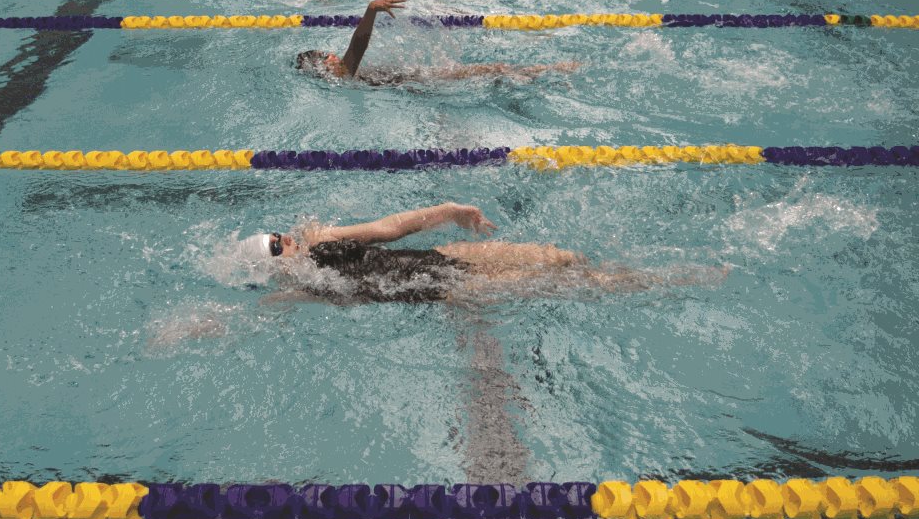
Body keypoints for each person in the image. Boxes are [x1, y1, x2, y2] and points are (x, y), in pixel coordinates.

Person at [228, 202, 715, 304]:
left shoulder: (320, 239)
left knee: (565, 258)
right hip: (451, 288)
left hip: (444, 256)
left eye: (279, 235)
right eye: (276, 246)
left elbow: (390, 228)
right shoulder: (301, 290)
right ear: (273, 265)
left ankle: (664, 269)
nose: (286, 240)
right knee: (577, 285)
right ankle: (676, 278)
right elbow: (245, 316)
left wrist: (448, 209)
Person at [294, 0, 582, 86]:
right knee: (492, 69)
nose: (332, 55)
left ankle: (547, 72)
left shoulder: (345, 80)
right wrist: (370, 9)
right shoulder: (345, 73)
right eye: (326, 57)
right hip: (426, 82)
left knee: (492, 72)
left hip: (417, 83)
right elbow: (359, 45)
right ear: (324, 68)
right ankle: (553, 70)